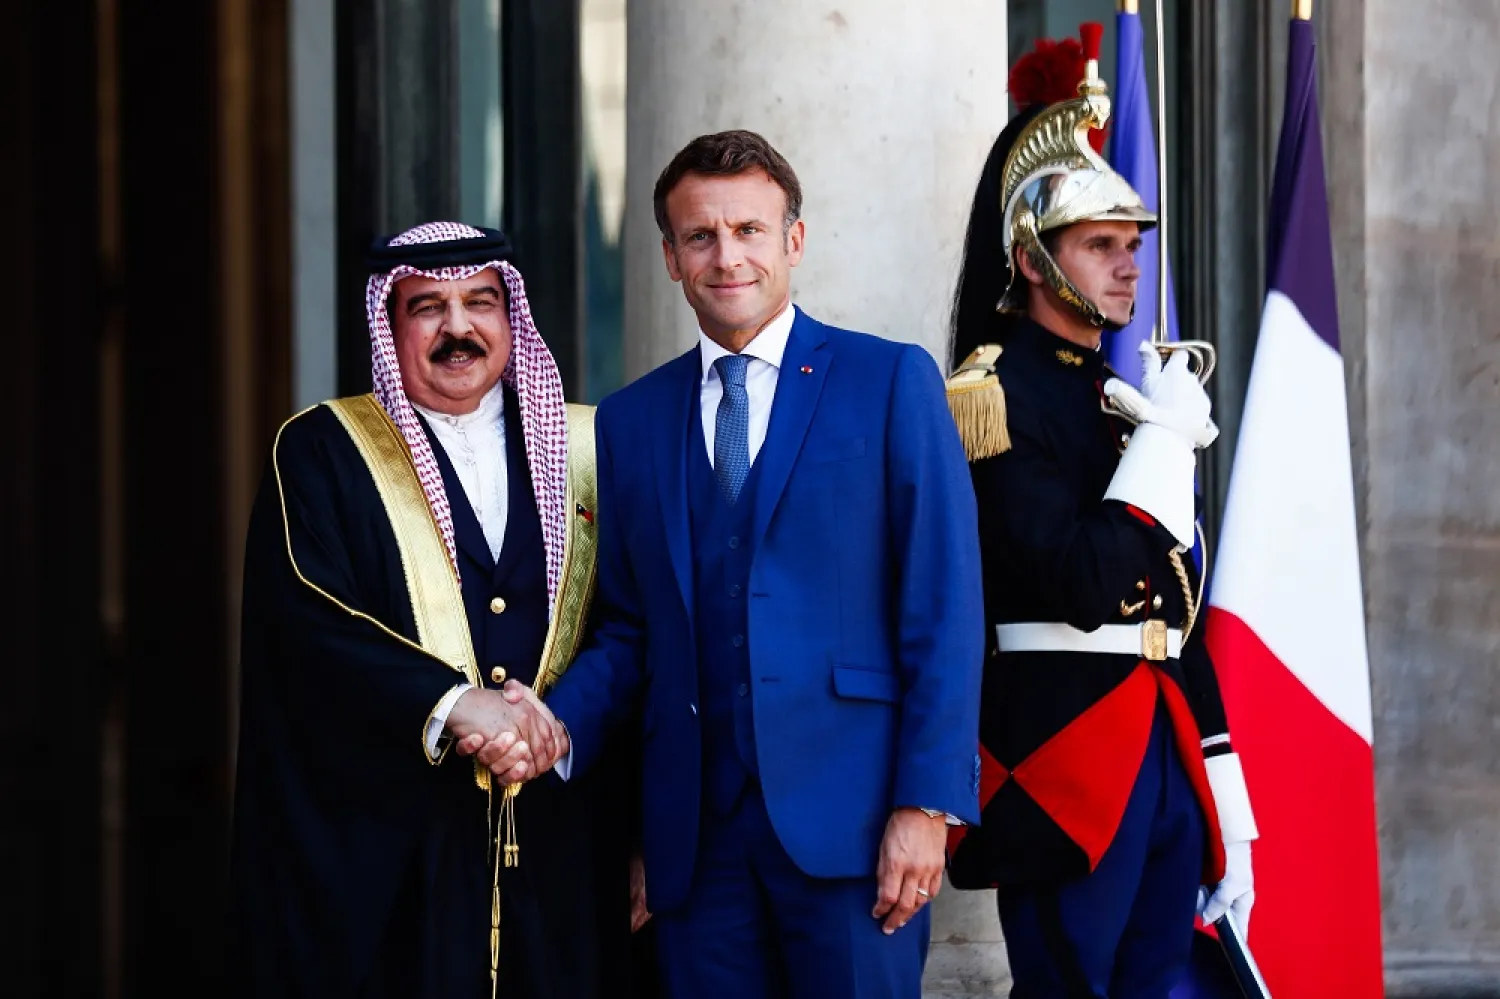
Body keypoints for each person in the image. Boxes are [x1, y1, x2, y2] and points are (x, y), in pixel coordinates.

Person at [489, 129, 984, 998]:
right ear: (672, 257)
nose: (728, 257)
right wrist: (556, 726)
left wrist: (927, 807)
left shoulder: (890, 381)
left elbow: (943, 610)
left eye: (750, 231)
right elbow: (633, 629)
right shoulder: (633, 421)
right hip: (697, 849)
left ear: (794, 239)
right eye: (701, 236)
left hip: (856, 833)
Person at [228, 221, 641, 998]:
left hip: (565, 844)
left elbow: (637, 625)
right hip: (397, 858)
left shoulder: (594, 447)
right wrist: (453, 703)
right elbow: (306, 624)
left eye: (480, 301)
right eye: (428, 306)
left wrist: (559, 729)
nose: (459, 327)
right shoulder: (324, 451)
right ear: (390, 324)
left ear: (510, 315)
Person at [941, 34, 1259, 998]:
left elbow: (1176, 610)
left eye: (1132, 245)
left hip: (1161, 745)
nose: (1130, 268)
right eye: (1101, 245)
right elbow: (1079, 582)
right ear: (1034, 259)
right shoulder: (993, 394)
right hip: (1062, 757)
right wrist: (1163, 451)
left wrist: (1226, 791)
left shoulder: (1117, 399)